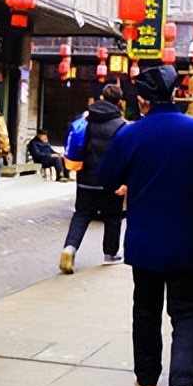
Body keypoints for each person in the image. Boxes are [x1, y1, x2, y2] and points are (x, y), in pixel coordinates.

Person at [99, 65, 193, 386]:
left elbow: (107, 177)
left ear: (141, 99)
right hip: (189, 240)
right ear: (175, 94)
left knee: (145, 307)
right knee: (187, 312)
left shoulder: (131, 135)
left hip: (144, 240)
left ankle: (145, 380)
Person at [60, 83, 127, 273]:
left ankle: (69, 248)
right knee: (113, 218)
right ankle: (110, 254)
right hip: (110, 181)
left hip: (85, 178)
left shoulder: (86, 119)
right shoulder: (121, 125)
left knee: (81, 215)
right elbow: (124, 156)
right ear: (119, 102)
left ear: (102, 98)